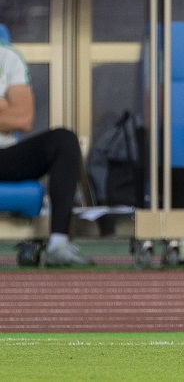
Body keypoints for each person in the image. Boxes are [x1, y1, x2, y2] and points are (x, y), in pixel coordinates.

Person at [0, 34, 92, 266]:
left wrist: (12, 112)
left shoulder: (7, 56)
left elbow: (22, 118)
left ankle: (58, 244)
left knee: (64, 139)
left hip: (4, 156)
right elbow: (12, 114)